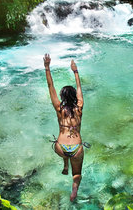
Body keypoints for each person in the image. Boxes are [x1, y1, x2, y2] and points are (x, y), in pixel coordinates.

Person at [43, 53, 84, 202]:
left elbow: (50, 86)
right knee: (77, 174)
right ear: (74, 97)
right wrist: (75, 71)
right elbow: (79, 87)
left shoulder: (59, 108)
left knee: (65, 153)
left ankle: (65, 165)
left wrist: (47, 67)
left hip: (60, 147)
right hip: (76, 148)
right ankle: (74, 191)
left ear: (62, 96)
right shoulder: (79, 108)